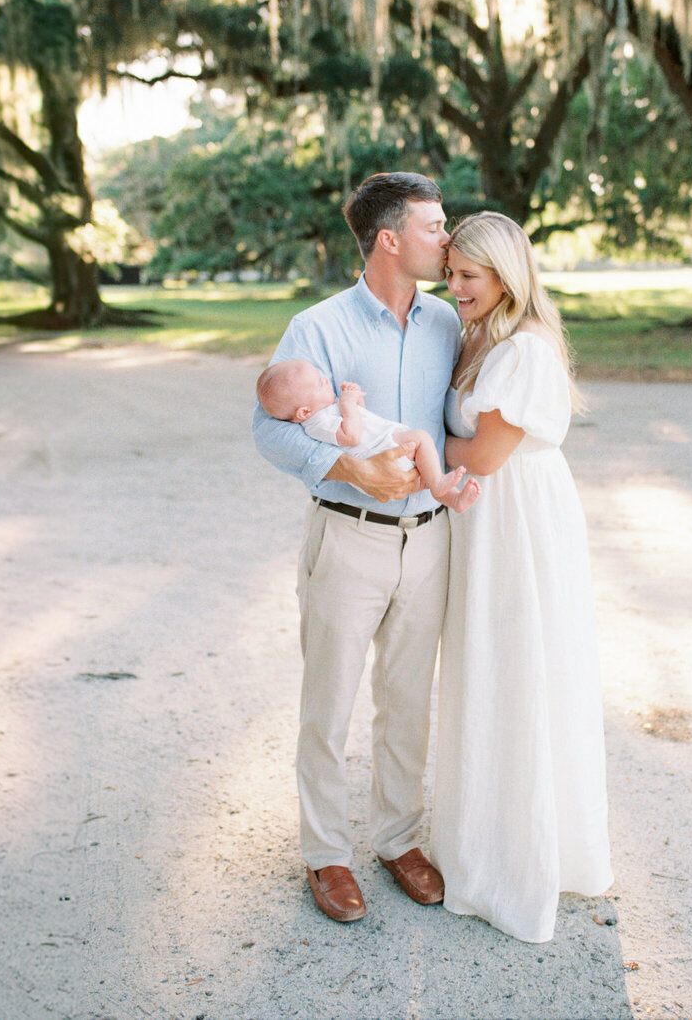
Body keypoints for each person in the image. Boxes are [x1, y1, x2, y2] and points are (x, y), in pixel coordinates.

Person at [250, 172, 460, 924]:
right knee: (329, 703)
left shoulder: (448, 322)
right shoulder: (318, 327)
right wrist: (351, 468)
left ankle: (398, 840)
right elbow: (267, 429)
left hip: (429, 542)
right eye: (435, 226)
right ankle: (327, 854)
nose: (447, 237)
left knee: (407, 703)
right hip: (346, 537)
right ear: (390, 239)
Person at [430, 210, 614, 943]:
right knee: (486, 671)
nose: (456, 287)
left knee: (520, 671)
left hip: (518, 522)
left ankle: (520, 859)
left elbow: (483, 456)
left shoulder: (526, 348)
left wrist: (416, 445)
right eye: (450, 274)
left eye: (469, 276)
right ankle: (482, 836)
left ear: (507, 275)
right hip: (482, 521)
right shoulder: (477, 333)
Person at [256, 359, 481, 514]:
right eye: (319, 383)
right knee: (421, 438)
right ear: (304, 412)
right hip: (378, 456)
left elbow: (361, 417)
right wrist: (347, 404)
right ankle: (441, 485)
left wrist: (355, 399)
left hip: (382, 451)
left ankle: (454, 499)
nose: (326, 380)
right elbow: (352, 436)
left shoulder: (326, 409)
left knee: (424, 477)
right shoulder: (316, 423)